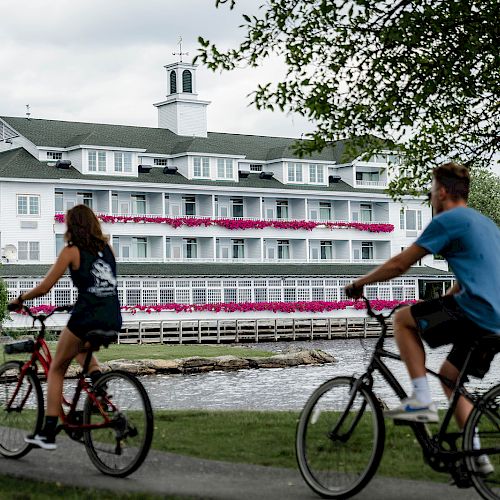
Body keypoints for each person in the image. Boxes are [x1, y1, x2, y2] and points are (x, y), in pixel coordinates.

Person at [346, 162, 500, 471]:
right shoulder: (485, 224)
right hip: (496, 319)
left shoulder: (448, 220)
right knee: (450, 377)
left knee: (402, 319)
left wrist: (359, 283)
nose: (430, 198)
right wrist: (446, 300)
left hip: (477, 313)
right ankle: (478, 459)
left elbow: (401, 263)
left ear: (442, 192)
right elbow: (480, 270)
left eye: (431, 191)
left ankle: (419, 400)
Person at [10, 204, 122, 450]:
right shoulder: (109, 248)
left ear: (72, 226)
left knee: (56, 369)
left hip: (86, 318)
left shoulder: (71, 251)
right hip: (112, 317)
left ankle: (48, 433)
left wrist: (20, 300)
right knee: (82, 352)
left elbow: (44, 287)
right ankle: (101, 393)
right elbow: (100, 285)